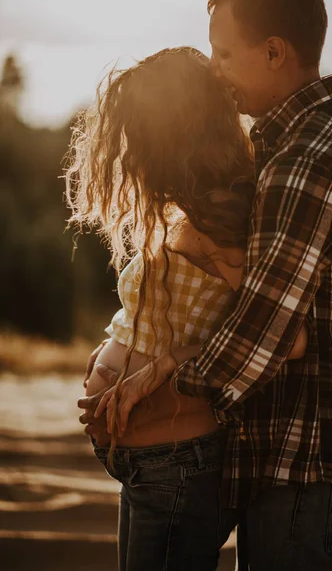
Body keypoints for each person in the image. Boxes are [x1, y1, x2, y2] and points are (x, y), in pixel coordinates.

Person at [81, 0, 332, 570]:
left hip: (314, 458)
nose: (216, 70)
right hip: (301, 453)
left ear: (274, 51)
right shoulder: (304, 138)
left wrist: (152, 381)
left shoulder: (307, 161)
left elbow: (264, 329)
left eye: (224, 52)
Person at [67, 46, 308, 571]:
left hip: (176, 461)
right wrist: (115, 350)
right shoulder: (195, 207)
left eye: (142, 138)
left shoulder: (228, 218)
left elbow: (282, 338)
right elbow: (176, 307)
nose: (133, 156)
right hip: (150, 459)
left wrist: (155, 369)